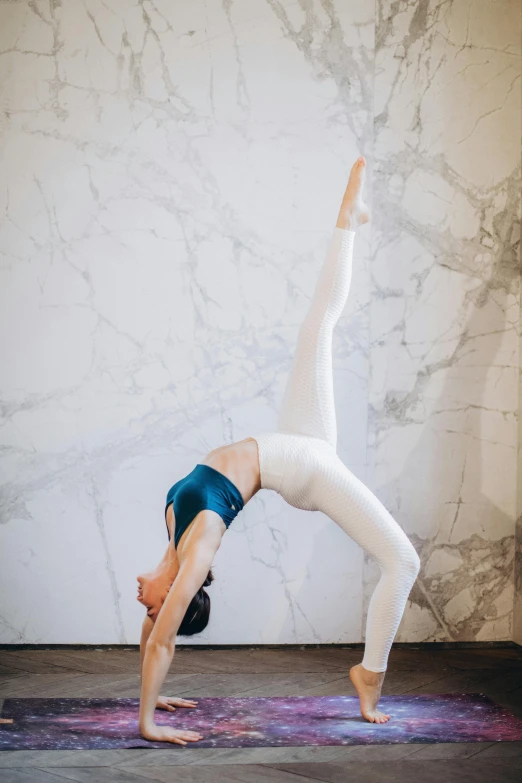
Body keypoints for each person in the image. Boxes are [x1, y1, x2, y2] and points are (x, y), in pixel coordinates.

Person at [136, 157, 420, 745]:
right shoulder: (195, 551)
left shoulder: (174, 537)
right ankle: (371, 674)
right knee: (404, 562)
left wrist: (156, 691)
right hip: (305, 470)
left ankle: (349, 219)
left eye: (149, 607)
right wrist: (148, 724)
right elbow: (163, 637)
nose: (145, 603)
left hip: (295, 446)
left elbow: (155, 637)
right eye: (155, 606)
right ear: (176, 600)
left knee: (317, 327)